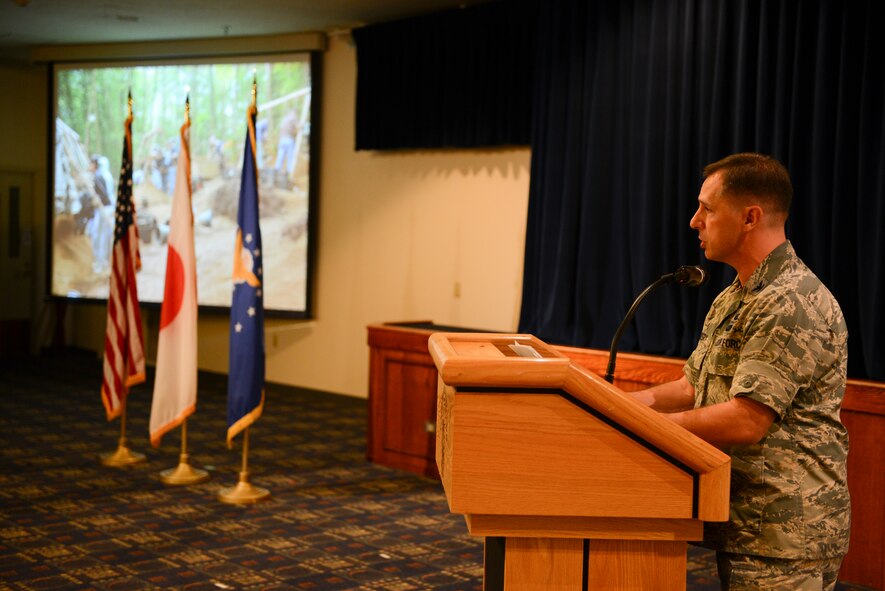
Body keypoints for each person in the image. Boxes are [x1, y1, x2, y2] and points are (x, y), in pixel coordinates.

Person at [631, 153, 850, 590]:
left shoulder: (789, 300)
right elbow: (692, 386)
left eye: (707, 209)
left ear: (750, 217)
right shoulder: (735, 296)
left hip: (787, 530)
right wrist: (615, 409)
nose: (695, 221)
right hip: (750, 522)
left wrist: (647, 431)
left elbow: (747, 419)